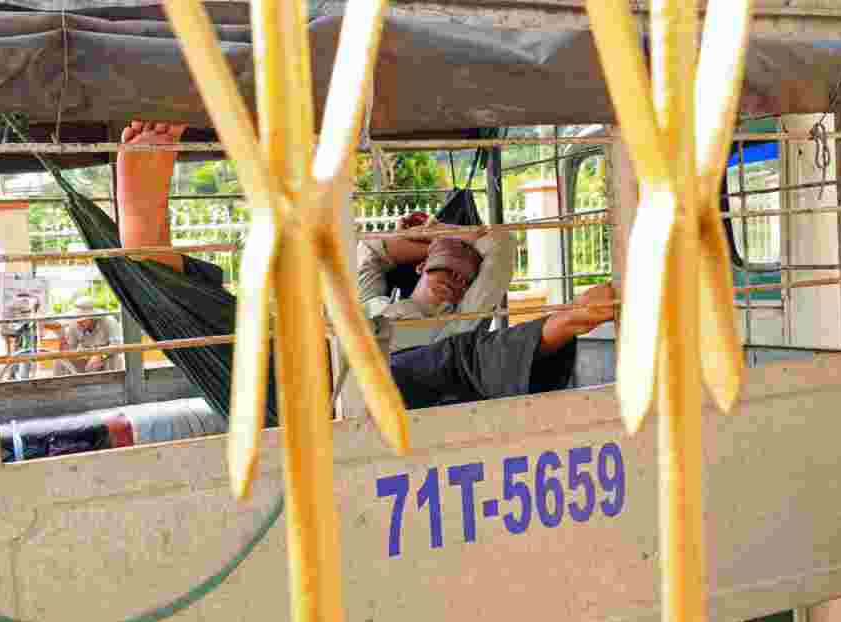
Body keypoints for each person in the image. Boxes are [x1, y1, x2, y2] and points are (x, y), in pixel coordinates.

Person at [116, 121, 616, 410]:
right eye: (445, 273)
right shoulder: (373, 298)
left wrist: (454, 247)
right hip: (327, 347)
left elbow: (499, 247)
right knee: (251, 335)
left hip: (363, 385)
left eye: (463, 280)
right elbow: (369, 253)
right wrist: (429, 240)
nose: (455, 283)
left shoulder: (461, 317)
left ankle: (146, 249)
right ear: (420, 271)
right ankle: (151, 248)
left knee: (265, 353)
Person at [358, 210, 517, 352]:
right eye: (450, 269)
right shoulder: (374, 305)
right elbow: (368, 249)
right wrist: (429, 240)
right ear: (421, 266)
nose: (458, 280)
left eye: (467, 282)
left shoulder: (458, 324)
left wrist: (438, 232)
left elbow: (503, 243)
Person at [52, 297, 124, 376]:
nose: (79, 322)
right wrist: (63, 342)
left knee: (117, 359)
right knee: (58, 360)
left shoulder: (109, 321)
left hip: (106, 358)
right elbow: (71, 349)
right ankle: (63, 386)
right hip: (85, 358)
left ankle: (113, 383)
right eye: (78, 319)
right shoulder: (74, 323)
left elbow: (117, 346)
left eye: (83, 320)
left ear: (92, 317)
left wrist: (101, 356)